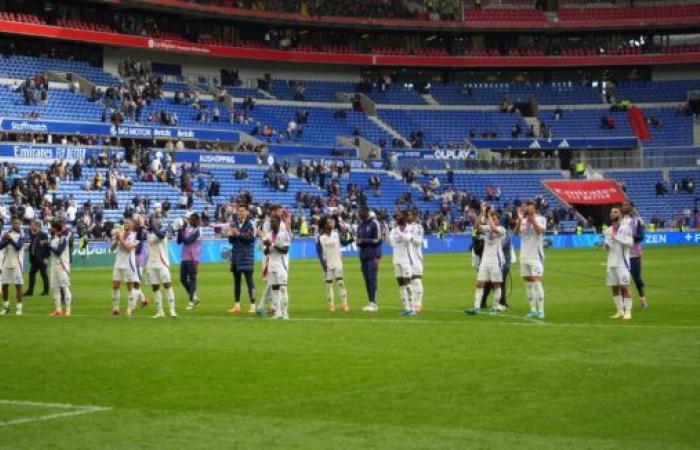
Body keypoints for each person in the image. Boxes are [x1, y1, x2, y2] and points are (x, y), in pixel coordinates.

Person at [466, 204, 505, 316]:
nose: (492, 220)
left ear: (498, 220)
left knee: (496, 284)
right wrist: (482, 212)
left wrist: (488, 215)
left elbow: (493, 228)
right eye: (491, 218)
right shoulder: (487, 228)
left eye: (494, 218)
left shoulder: (501, 230)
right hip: (485, 260)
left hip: (496, 261)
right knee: (479, 283)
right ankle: (476, 307)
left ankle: (495, 307)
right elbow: (477, 225)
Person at [515, 200, 547, 319]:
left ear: (535, 209)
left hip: (536, 256)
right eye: (527, 208)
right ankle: (533, 309)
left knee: (537, 282)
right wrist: (519, 221)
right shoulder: (523, 220)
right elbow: (516, 232)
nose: (529, 209)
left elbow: (539, 231)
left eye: (531, 208)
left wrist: (532, 219)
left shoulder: (541, 219)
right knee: (528, 284)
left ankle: (541, 310)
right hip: (524, 256)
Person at [604, 206, 634, 320]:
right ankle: (620, 311)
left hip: (622, 262)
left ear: (621, 215)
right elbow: (608, 246)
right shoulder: (608, 230)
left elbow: (630, 243)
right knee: (614, 288)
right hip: (611, 262)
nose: (612, 213)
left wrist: (616, 238)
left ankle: (628, 312)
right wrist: (605, 245)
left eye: (615, 212)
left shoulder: (626, 228)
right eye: (611, 212)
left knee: (625, 287)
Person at [318, 216, 352, 313]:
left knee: (341, 283)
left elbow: (344, 242)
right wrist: (323, 265)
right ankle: (331, 305)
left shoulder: (336, 234)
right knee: (329, 285)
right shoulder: (320, 238)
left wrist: (352, 239)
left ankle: (344, 304)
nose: (331, 224)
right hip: (327, 264)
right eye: (329, 223)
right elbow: (319, 252)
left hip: (337, 262)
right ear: (324, 225)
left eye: (331, 222)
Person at [228, 204, 256, 314]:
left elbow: (250, 239)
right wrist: (231, 235)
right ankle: (237, 306)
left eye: (242, 211)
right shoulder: (234, 223)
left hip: (246, 256)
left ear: (247, 212)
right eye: (238, 211)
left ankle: (253, 306)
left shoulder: (250, 224)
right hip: (236, 256)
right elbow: (231, 241)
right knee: (237, 281)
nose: (240, 213)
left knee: (250, 282)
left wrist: (238, 234)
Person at [146, 216, 177, 318]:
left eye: (154, 222)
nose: (152, 223)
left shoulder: (163, 231)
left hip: (162, 263)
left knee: (167, 285)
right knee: (155, 287)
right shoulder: (147, 234)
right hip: (151, 263)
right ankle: (160, 311)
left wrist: (152, 226)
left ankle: (172, 310)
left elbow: (161, 235)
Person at [263, 216, 291, 320]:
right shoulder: (269, 234)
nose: (272, 223)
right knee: (274, 288)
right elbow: (265, 252)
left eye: (274, 221)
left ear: (279, 223)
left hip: (281, 263)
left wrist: (272, 244)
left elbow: (285, 250)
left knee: (283, 288)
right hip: (271, 264)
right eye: (271, 221)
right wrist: (266, 246)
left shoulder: (284, 234)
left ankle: (285, 313)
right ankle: (278, 312)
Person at [110, 219, 139, 316]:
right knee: (115, 285)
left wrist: (121, 240)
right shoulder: (120, 234)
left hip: (128, 264)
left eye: (128, 223)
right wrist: (116, 240)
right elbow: (112, 249)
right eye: (125, 223)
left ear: (132, 225)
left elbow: (129, 248)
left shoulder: (134, 235)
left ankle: (130, 308)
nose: (125, 224)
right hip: (118, 263)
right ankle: (115, 308)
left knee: (129, 287)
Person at [622, 201, 648, 309]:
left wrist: (628, 236)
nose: (624, 206)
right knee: (622, 280)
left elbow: (641, 237)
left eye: (626, 205)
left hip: (634, 254)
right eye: (623, 205)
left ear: (632, 207)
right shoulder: (619, 220)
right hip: (621, 255)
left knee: (637, 278)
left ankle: (642, 298)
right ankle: (626, 302)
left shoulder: (638, 220)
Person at [390, 212, 416, 316]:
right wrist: (391, 233)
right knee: (401, 285)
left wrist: (399, 233)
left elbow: (409, 239)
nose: (398, 220)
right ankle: (406, 308)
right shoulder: (393, 230)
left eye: (399, 218)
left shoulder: (409, 229)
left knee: (408, 284)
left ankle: (412, 308)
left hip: (406, 259)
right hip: (396, 259)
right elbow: (391, 243)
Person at [356, 207, 382, 312]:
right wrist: (358, 242)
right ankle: (371, 302)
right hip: (363, 256)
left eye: (361, 212)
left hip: (373, 256)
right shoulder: (360, 225)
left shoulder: (374, 223)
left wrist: (364, 240)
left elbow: (378, 239)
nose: (359, 214)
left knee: (372, 278)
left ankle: (374, 304)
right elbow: (358, 239)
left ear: (366, 212)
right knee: (367, 279)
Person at [0, 217, 26, 315]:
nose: (17, 225)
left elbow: (18, 247)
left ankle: (19, 308)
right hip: (6, 263)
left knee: (18, 286)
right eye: (15, 223)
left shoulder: (22, 235)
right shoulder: (6, 234)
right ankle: (6, 307)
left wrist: (9, 239)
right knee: (4, 285)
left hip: (17, 264)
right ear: (11, 224)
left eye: (19, 223)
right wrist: (6, 240)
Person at [178, 213, 202, 310]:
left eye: (192, 220)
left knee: (192, 279)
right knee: (182, 279)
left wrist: (181, 231)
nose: (190, 221)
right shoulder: (187, 229)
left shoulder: (198, 231)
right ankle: (194, 297)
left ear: (197, 220)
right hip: (185, 257)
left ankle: (191, 301)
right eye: (190, 219)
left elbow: (187, 241)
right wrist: (180, 230)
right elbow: (179, 241)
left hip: (193, 258)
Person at [48, 221, 72, 317]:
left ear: (55, 228)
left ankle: (68, 309)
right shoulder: (53, 240)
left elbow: (58, 252)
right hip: (54, 266)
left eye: (51, 227)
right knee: (56, 288)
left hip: (62, 265)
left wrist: (48, 246)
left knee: (65, 287)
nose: (49, 229)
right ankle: (58, 309)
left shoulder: (63, 239)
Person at [25, 219, 50, 297]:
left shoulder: (43, 234)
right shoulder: (34, 235)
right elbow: (34, 245)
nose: (32, 227)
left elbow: (47, 247)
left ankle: (46, 291)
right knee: (31, 274)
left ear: (37, 226)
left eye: (33, 225)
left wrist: (46, 257)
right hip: (35, 259)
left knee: (44, 275)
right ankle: (30, 291)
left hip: (41, 259)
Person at [406, 209, 424, 312]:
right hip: (406, 258)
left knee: (417, 280)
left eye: (411, 215)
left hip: (416, 257)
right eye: (407, 215)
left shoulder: (418, 227)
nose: (409, 216)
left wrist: (411, 238)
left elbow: (419, 241)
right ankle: (411, 303)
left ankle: (418, 303)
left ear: (414, 216)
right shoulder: (402, 227)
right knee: (409, 281)